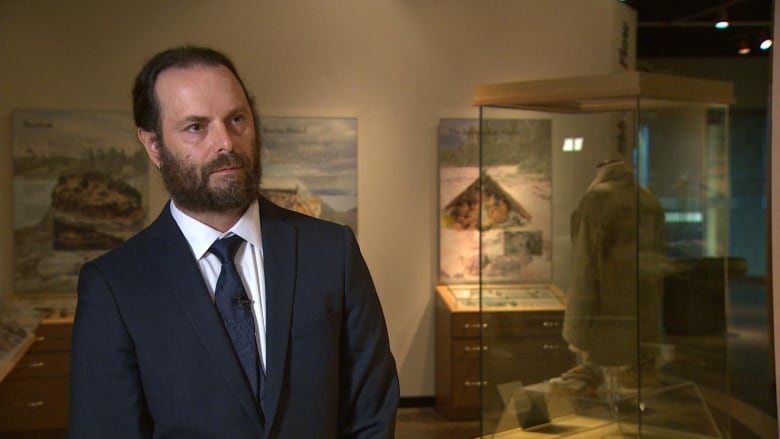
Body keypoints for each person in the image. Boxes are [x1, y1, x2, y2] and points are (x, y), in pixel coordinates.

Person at [68, 46, 399, 438]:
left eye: (236, 119)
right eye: (196, 127)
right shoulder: (114, 286)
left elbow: (371, 412)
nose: (225, 142)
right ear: (153, 145)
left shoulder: (332, 252)